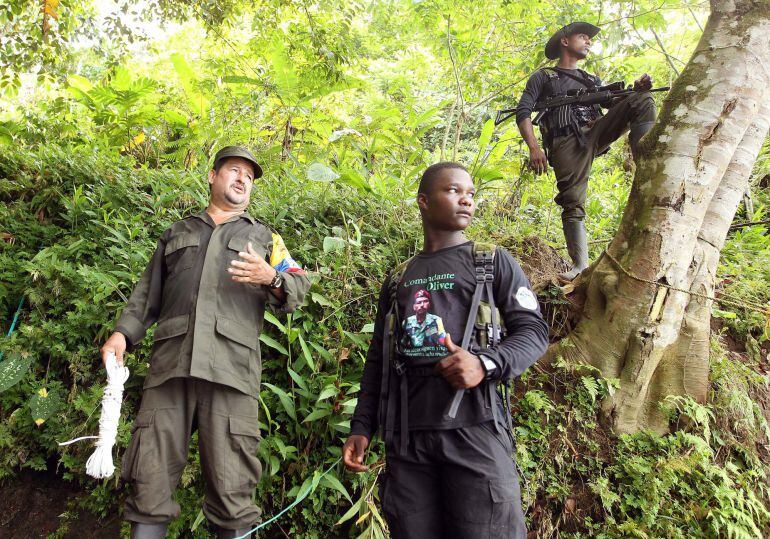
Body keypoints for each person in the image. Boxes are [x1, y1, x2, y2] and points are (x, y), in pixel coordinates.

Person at [100, 146, 311, 539]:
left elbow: (299, 285)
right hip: (170, 370)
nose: (242, 179)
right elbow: (147, 296)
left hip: (231, 373)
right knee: (149, 478)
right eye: (234, 170)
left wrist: (272, 278)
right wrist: (121, 333)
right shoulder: (177, 233)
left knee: (234, 490)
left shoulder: (266, 238)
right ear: (213, 176)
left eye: (249, 176)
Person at [342, 162, 549, 538]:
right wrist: (362, 426)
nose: (466, 199)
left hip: (475, 429)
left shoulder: (490, 261)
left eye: (470, 193)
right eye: (453, 191)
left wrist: (485, 363)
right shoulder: (398, 278)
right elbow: (379, 360)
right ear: (424, 201)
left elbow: (533, 332)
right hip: (407, 439)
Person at [515, 21, 657, 279]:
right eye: (583, 37)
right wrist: (534, 148)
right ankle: (580, 265)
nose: (589, 41)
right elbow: (522, 112)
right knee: (572, 202)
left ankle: (647, 160)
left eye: (589, 38)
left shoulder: (592, 80)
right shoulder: (544, 77)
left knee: (641, 100)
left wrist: (634, 90)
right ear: (565, 41)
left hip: (594, 131)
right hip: (565, 141)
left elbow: (613, 107)